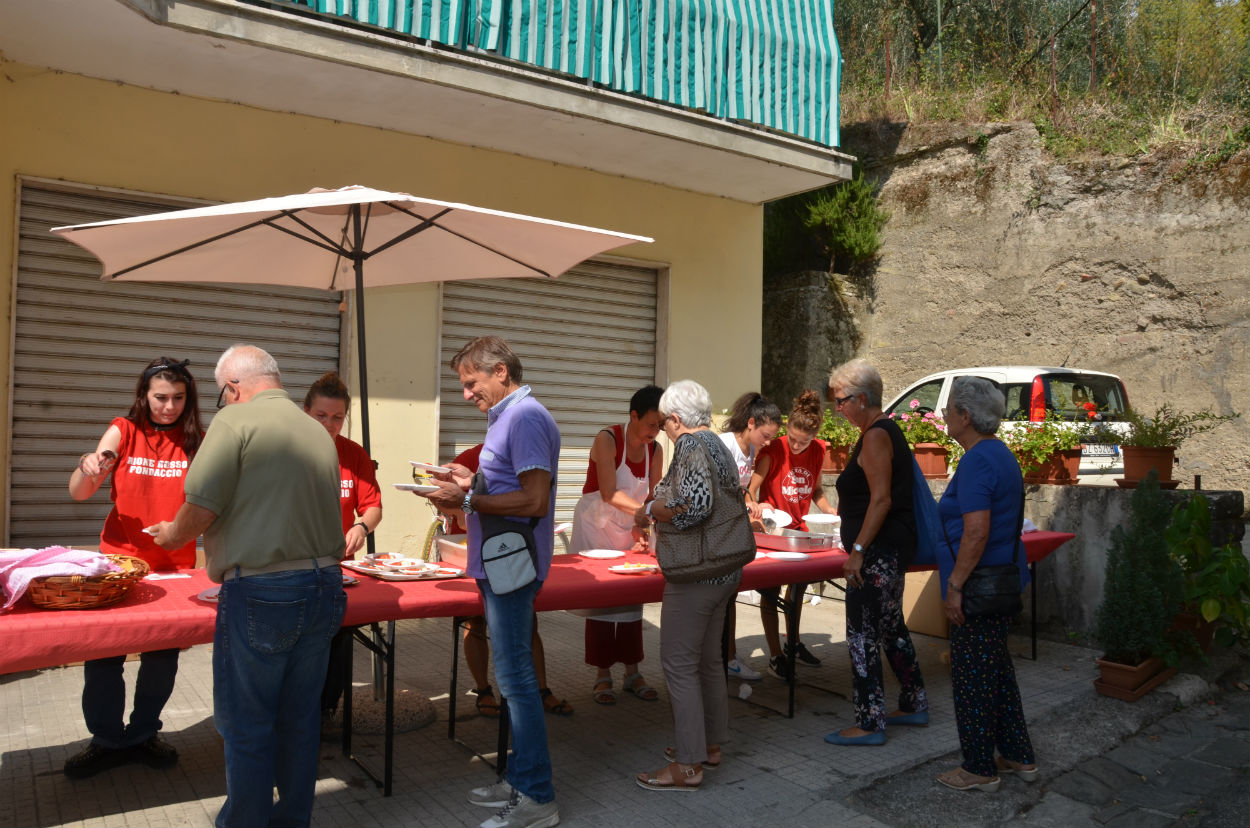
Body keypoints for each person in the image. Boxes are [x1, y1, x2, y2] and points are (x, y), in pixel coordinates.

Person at [153, 344, 346, 828]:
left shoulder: (234, 422)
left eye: (223, 394)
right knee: (300, 721)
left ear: (233, 388)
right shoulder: (318, 429)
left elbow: (200, 507)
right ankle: (292, 820)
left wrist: (171, 534)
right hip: (324, 585)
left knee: (248, 724)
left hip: (263, 591)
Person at [422, 336, 561, 828]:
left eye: (471, 383)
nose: (465, 394)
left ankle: (537, 798)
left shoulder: (525, 417)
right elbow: (508, 488)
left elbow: (535, 500)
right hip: (500, 561)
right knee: (513, 678)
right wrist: (470, 481)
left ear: (501, 372)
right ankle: (521, 780)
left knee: (518, 681)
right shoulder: (506, 417)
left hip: (511, 565)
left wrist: (466, 501)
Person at [62, 357, 204, 779]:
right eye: (160, 397)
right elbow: (79, 492)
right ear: (143, 395)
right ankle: (106, 739)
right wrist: (89, 466)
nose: (169, 406)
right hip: (119, 564)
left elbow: (209, 504)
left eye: (178, 398)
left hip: (172, 567)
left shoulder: (199, 441)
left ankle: (144, 734)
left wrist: (183, 528)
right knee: (104, 656)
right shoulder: (123, 431)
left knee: (162, 659)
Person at [633, 380, 745, 792]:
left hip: (696, 572)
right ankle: (709, 746)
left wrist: (658, 513)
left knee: (679, 665)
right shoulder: (718, 445)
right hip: (724, 569)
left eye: (665, 423)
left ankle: (688, 764)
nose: (664, 430)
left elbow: (695, 507)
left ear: (676, 419)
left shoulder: (691, 447)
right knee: (707, 662)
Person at [936, 377, 1037, 792]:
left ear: (965, 416)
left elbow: (976, 531)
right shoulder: (1000, 454)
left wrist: (955, 585)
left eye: (948, 410)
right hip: (999, 583)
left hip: (979, 587)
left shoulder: (978, 460)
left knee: (973, 678)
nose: (943, 416)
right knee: (996, 673)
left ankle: (978, 768)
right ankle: (1018, 755)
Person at [825, 358, 928, 746]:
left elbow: (881, 500)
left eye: (841, 400)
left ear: (862, 398)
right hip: (890, 547)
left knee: (862, 632)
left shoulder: (876, 435)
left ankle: (870, 722)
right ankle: (913, 701)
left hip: (878, 551)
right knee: (889, 626)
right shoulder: (881, 431)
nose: (838, 408)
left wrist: (857, 550)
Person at [439, 443, 572, 719]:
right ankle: (483, 690)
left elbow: (532, 503)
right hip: (470, 551)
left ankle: (541, 690)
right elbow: (451, 509)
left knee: (527, 622)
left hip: (511, 555)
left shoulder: (527, 457)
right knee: (475, 621)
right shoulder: (468, 458)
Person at [567, 385, 664, 705]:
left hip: (626, 524)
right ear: (633, 416)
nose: (655, 431)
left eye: (660, 425)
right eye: (651, 424)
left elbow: (651, 497)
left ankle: (633, 671)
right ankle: (602, 673)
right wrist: (642, 515)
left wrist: (642, 527)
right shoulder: (607, 439)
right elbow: (608, 493)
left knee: (631, 596)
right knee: (604, 598)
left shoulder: (656, 449)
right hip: (596, 524)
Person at [303, 372, 383, 735]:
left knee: (337, 642)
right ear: (305, 413)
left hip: (338, 569)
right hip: (294, 567)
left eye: (337, 418)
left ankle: (325, 711)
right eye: (321, 416)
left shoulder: (353, 454)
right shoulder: (288, 451)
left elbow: (373, 507)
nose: (330, 425)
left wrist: (360, 527)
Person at [749, 390, 835, 680]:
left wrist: (829, 510)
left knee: (797, 591)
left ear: (815, 437)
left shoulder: (819, 450)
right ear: (787, 430)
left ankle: (794, 642)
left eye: (804, 442)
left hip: (799, 531)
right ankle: (775, 655)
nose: (797, 447)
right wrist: (759, 505)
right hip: (773, 532)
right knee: (771, 592)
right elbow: (751, 489)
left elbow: (817, 490)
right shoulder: (773, 450)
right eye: (793, 439)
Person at [718, 392, 782, 681]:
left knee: (729, 596)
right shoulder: (725, 445)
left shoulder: (751, 450)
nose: (768, 443)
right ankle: (725, 657)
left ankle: (727, 656)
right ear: (751, 423)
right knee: (722, 598)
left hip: (733, 532)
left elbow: (742, 490)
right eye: (766, 436)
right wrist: (745, 503)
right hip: (718, 535)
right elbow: (718, 492)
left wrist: (754, 503)